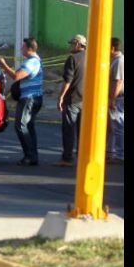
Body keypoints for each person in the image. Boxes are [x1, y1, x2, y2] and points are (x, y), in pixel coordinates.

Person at [0, 38, 44, 166]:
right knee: (29, 126)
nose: (21, 49)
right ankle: (32, 156)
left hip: (29, 98)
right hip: (33, 97)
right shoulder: (36, 61)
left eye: (23, 47)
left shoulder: (32, 62)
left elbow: (16, 76)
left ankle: (29, 156)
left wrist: (3, 64)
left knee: (21, 125)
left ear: (29, 48)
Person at [54, 34, 87, 167]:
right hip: (86, 99)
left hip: (73, 99)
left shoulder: (72, 59)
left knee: (68, 129)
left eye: (72, 44)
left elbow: (68, 80)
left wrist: (61, 96)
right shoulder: (91, 57)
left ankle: (67, 158)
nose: (70, 46)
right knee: (82, 131)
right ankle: (82, 156)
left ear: (78, 44)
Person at [107, 37, 124, 164]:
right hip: (113, 98)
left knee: (118, 126)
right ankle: (110, 152)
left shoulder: (119, 61)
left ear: (112, 48)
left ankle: (120, 155)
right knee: (111, 127)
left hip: (117, 98)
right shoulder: (113, 60)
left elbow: (118, 81)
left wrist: (112, 99)